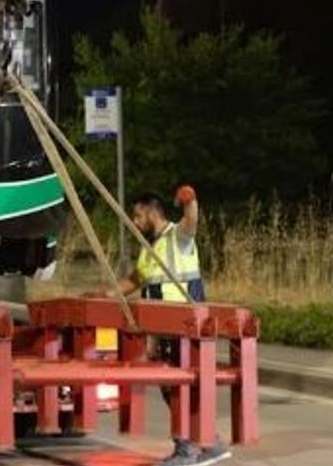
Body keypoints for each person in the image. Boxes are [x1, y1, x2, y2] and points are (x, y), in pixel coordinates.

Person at [112, 185, 229, 466]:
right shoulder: (151, 249)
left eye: (138, 216)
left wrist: (190, 200)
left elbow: (192, 222)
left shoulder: (178, 237)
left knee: (179, 388)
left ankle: (187, 450)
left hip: (184, 329)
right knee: (175, 388)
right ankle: (208, 442)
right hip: (165, 330)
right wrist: (107, 295)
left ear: (151, 212)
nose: (135, 223)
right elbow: (136, 280)